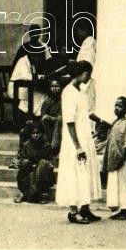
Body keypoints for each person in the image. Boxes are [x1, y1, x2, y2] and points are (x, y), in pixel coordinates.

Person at [56, 61, 101, 224]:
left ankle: (85, 208)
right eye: (87, 74)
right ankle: (73, 211)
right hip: (74, 140)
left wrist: (102, 121)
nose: (88, 77)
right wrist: (77, 147)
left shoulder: (81, 91)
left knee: (85, 173)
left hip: (85, 136)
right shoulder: (68, 92)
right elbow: (69, 121)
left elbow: (87, 113)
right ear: (81, 73)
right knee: (74, 174)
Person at [102, 97, 126, 220]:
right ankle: (118, 209)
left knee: (123, 184)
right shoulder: (114, 123)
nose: (116, 108)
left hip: (122, 159)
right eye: (116, 105)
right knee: (114, 184)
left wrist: (122, 159)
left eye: (120, 106)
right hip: (113, 158)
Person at [14, 122, 54, 203]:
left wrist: (40, 166)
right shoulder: (27, 145)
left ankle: (35, 194)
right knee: (24, 163)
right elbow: (22, 158)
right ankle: (25, 193)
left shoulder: (46, 145)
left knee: (43, 164)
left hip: (42, 172)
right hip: (30, 170)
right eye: (33, 133)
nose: (35, 135)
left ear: (41, 134)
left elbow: (49, 161)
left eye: (37, 133)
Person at [39, 78, 63, 152]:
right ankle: (49, 142)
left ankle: (54, 144)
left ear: (60, 87)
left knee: (59, 119)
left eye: (56, 86)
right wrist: (47, 117)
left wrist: (53, 118)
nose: (54, 88)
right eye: (52, 86)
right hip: (50, 122)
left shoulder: (63, 99)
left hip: (61, 122)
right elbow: (43, 113)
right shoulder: (47, 101)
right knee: (45, 118)